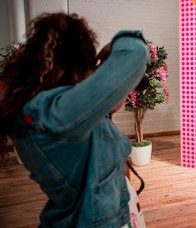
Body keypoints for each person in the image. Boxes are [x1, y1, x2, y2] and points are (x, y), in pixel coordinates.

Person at [0, 12, 149, 227]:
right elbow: (134, 51)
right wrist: (108, 50)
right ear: (77, 64)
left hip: (110, 213)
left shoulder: (48, 109)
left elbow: (89, 154)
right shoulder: (51, 113)